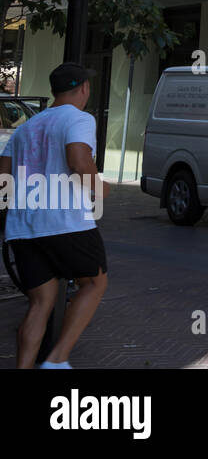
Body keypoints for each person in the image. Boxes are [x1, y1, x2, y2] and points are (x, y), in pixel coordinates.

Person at [0, 63, 109, 369]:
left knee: (40, 303)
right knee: (94, 284)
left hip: (23, 228)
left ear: (54, 90)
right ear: (84, 88)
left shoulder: (24, 128)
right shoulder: (80, 118)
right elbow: (78, 159)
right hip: (66, 222)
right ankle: (57, 360)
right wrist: (100, 188)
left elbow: (2, 179)